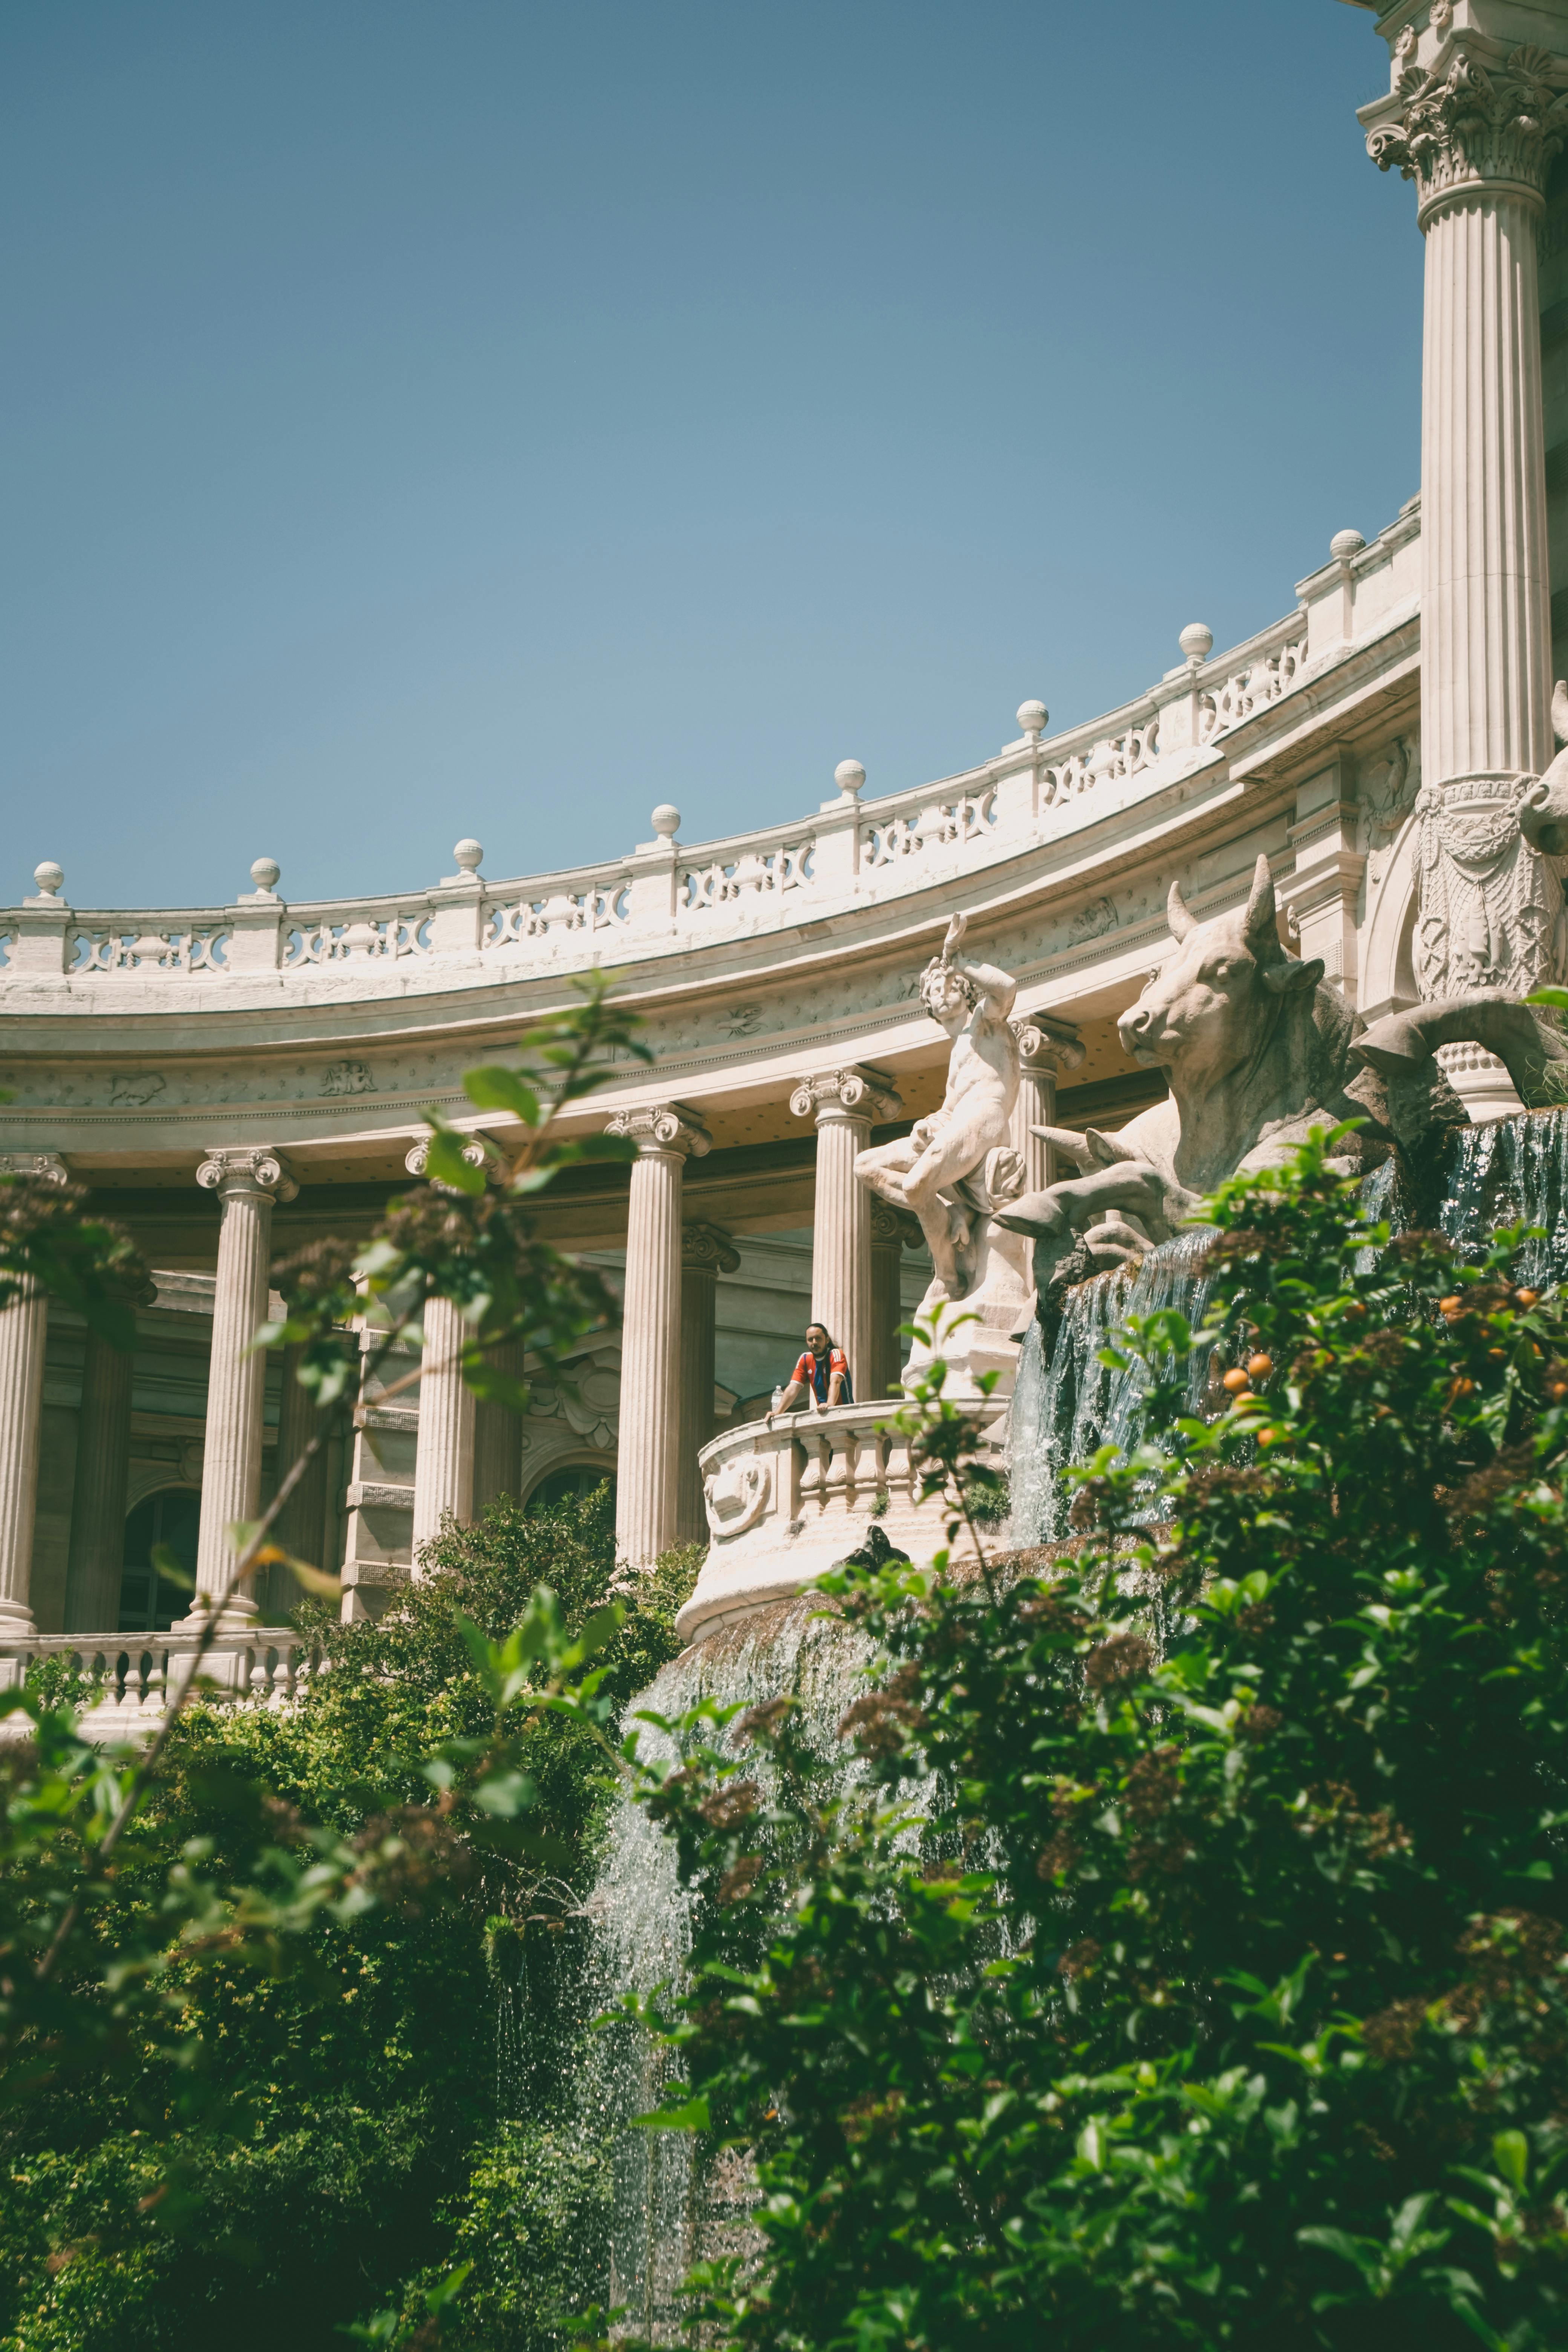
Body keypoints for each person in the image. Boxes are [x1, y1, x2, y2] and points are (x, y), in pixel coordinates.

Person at [853, 908, 1020, 1297]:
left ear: (965, 991)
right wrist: (927, 1124)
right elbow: (950, 1106)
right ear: (927, 1004)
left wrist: (960, 960)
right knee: (864, 1166)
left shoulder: (984, 1022)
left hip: (984, 1120)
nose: (943, 994)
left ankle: (949, 1274)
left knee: (915, 1189)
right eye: (934, 991)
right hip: (958, 1122)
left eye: (950, 986)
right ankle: (952, 1229)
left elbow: (1007, 988)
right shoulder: (956, 1052)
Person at [778, 1322, 853, 1412]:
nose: (815, 1343)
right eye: (811, 1339)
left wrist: (829, 1404)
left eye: (818, 1338)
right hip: (823, 1414)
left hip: (845, 1411)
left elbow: (836, 1381)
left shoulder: (835, 1354)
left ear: (827, 1340)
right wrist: (777, 1413)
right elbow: (793, 1388)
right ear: (807, 1342)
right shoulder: (805, 1359)